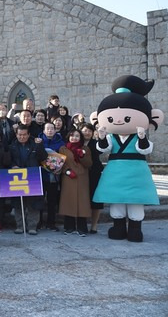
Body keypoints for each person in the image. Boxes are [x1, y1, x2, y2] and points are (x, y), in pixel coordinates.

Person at [91, 75, 164, 242]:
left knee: (135, 202)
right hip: (115, 171)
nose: (117, 121)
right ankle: (118, 227)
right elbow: (102, 149)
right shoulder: (111, 137)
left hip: (136, 172)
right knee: (117, 201)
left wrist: (142, 137)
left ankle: (135, 229)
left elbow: (144, 149)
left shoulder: (139, 137)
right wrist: (101, 137)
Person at [8, 125, 47, 235]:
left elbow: (43, 158)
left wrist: (40, 146)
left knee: (33, 204)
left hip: (32, 177)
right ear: (16, 134)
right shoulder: (12, 146)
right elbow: (7, 160)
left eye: (24, 135)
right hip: (17, 176)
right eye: (20, 135)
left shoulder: (35, 144)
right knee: (18, 203)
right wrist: (13, 166)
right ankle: (20, 226)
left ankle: (32, 227)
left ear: (28, 134)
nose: (22, 137)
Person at [59, 129, 92, 236]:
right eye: (72, 136)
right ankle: (69, 227)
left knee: (82, 203)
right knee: (68, 201)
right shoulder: (63, 149)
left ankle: (82, 228)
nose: (74, 138)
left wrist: (82, 156)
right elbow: (60, 163)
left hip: (82, 178)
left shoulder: (85, 149)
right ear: (68, 137)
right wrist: (67, 171)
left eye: (77, 136)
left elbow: (89, 164)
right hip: (69, 178)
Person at [38, 122, 65, 231]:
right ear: (43, 130)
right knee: (39, 200)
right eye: (47, 128)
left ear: (55, 130)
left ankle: (51, 223)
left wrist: (59, 168)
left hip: (54, 176)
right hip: (40, 176)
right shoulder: (38, 141)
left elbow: (64, 158)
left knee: (52, 201)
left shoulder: (61, 143)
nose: (50, 130)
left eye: (52, 128)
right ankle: (39, 222)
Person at [80, 123, 104, 234]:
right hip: (80, 174)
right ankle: (82, 225)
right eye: (85, 130)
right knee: (82, 200)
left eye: (90, 131)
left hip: (94, 174)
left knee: (95, 200)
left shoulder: (96, 143)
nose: (87, 133)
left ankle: (94, 225)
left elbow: (101, 150)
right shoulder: (77, 142)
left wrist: (101, 136)